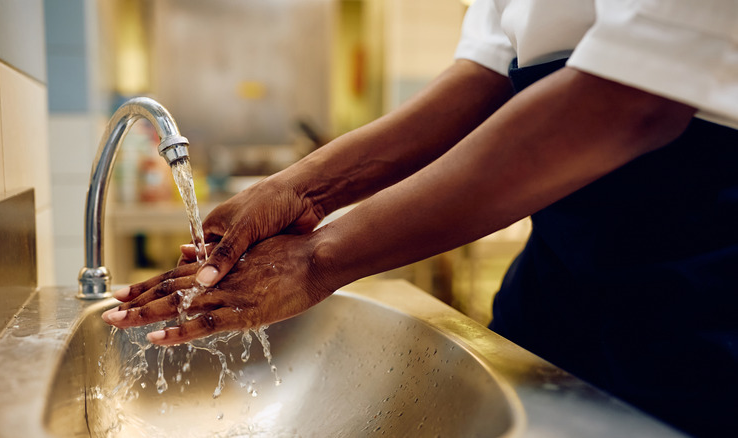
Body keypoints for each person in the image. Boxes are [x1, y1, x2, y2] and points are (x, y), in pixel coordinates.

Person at [103, 1, 738, 436]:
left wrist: (319, 259)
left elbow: (629, 100)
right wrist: (297, 190)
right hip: (557, 286)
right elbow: (482, 82)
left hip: (705, 289)